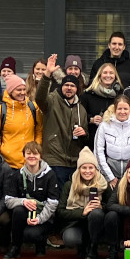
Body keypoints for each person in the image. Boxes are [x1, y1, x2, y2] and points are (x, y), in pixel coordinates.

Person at [55, 147, 118, 259]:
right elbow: (60, 211)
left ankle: (92, 249)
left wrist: (101, 206)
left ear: (96, 169)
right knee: (70, 238)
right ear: (79, 169)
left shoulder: (103, 184)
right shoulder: (70, 185)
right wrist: (82, 212)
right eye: (84, 167)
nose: (87, 171)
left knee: (96, 213)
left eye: (91, 167)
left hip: (97, 224)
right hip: (76, 223)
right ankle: (82, 247)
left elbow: (112, 207)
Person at [36, 55, 89, 187]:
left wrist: (84, 134)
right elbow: (39, 98)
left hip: (74, 161)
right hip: (55, 159)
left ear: (77, 89)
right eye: (66, 85)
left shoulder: (81, 109)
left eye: (72, 85)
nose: (69, 88)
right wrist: (47, 74)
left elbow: (85, 137)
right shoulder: (52, 100)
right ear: (61, 86)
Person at [2, 141, 60, 259]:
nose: (32, 156)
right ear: (24, 156)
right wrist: (23, 201)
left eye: (35, 154)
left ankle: (41, 243)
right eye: (28, 153)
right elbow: (8, 200)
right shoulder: (17, 175)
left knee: (31, 235)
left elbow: (53, 203)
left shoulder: (50, 175)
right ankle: (15, 248)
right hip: (25, 213)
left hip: (44, 216)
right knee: (18, 210)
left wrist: (39, 219)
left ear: (40, 156)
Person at [0, 74, 43, 169]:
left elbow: (39, 129)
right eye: (18, 90)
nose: (22, 93)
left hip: (29, 162)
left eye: (24, 89)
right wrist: (2, 150)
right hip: (8, 164)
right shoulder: (0, 110)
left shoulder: (33, 107)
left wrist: (36, 146)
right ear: (10, 91)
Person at [94, 96, 130, 186]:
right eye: (119, 109)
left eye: (125, 109)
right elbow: (98, 152)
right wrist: (110, 177)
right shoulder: (104, 125)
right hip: (110, 168)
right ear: (114, 110)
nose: (122, 112)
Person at [82, 62, 123, 141]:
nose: (108, 75)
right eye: (105, 73)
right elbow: (79, 115)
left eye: (111, 73)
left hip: (115, 141)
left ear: (115, 76)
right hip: (92, 139)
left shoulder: (120, 95)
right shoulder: (88, 94)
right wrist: (91, 119)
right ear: (100, 75)